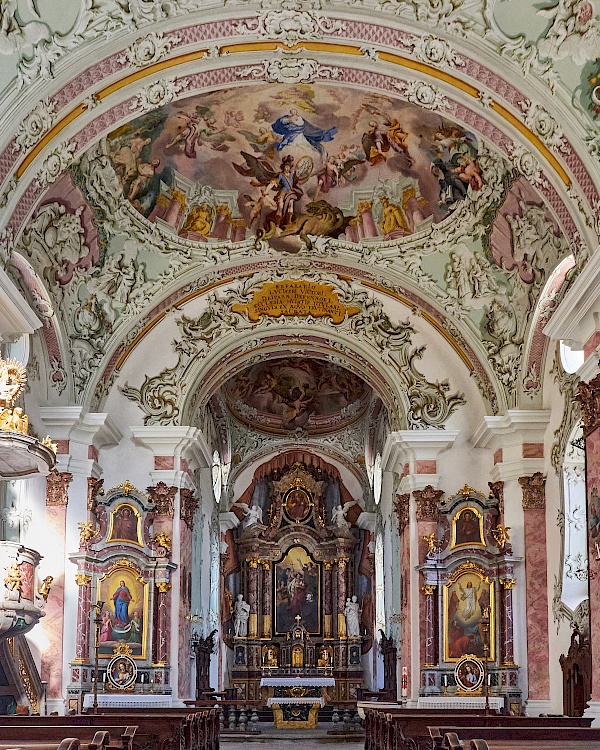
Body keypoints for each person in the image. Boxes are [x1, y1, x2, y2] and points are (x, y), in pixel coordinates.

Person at [271, 107, 337, 154]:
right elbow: (282, 122)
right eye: (292, 112)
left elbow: (301, 124)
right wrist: (289, 120)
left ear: (296, 112)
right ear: (290, 113)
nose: (293, 113)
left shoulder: (299, 118)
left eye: (294, 111)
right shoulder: (287, 117)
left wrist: (294, 122)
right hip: (290, 132)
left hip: (298, 131)